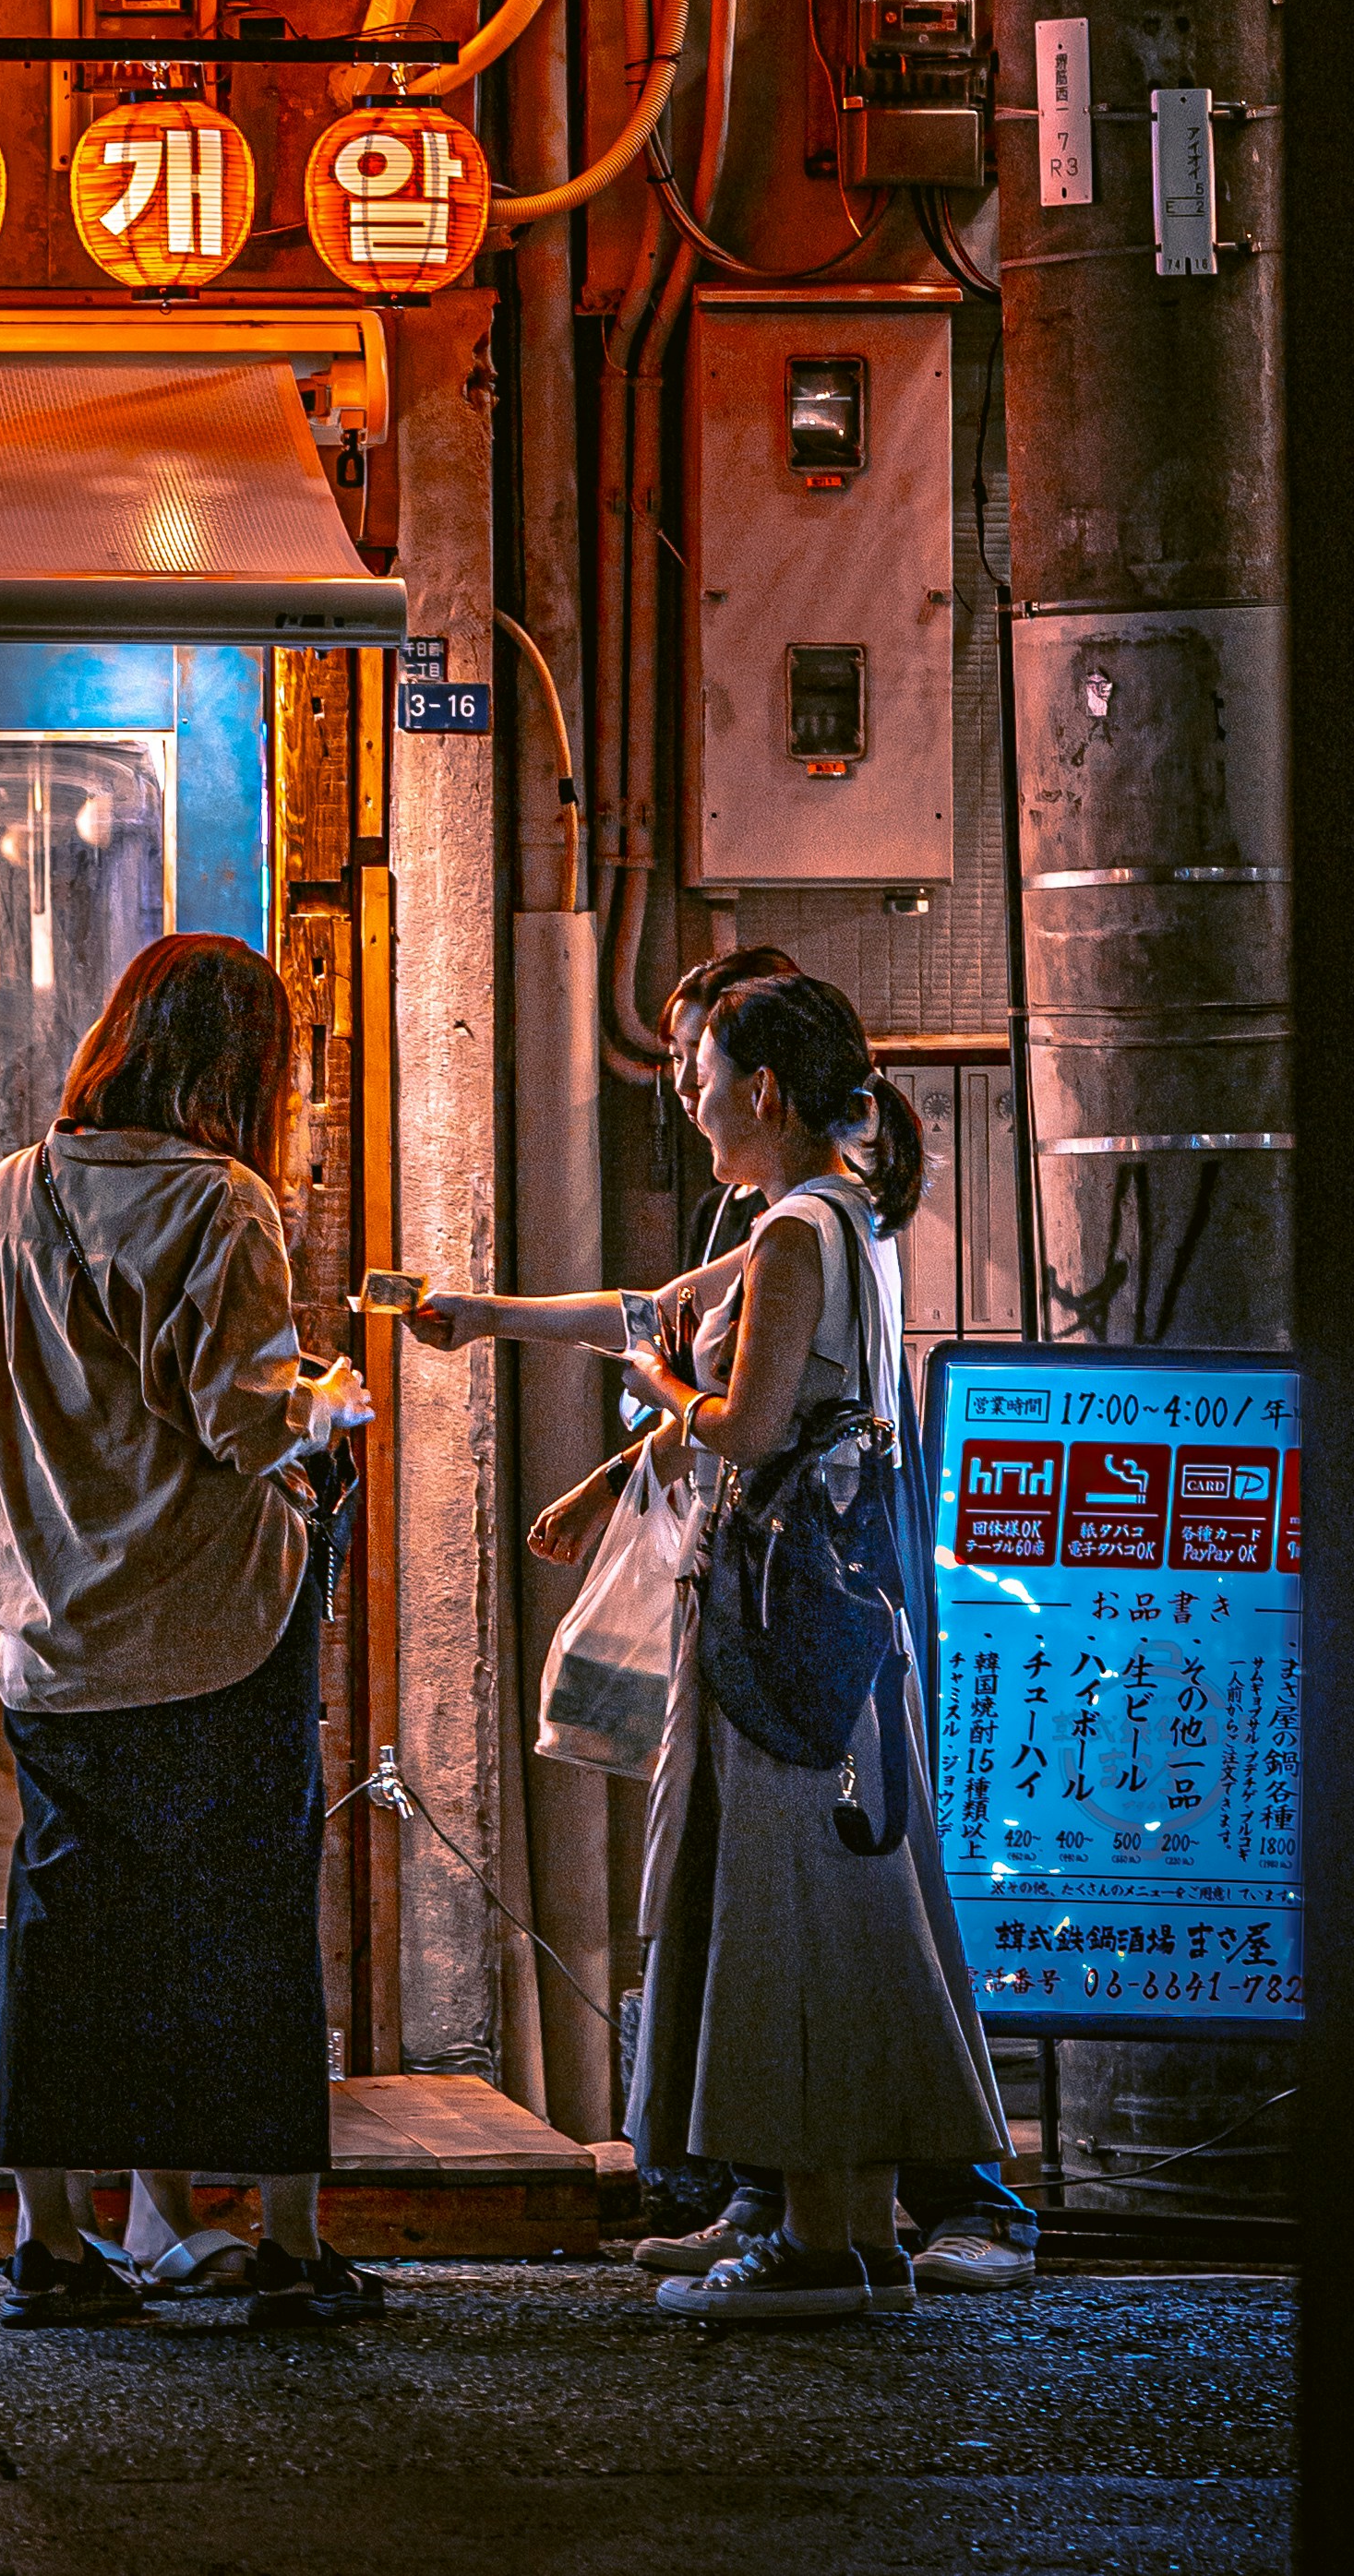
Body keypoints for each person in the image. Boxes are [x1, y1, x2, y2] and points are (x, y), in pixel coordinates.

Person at [420, 969, 1007, 2322]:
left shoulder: (798, 1233)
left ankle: (818, 2243)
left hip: (778, 1616)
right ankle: (839, 2227)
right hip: (835, 1617)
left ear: (761, 1088)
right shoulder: (831, 1216)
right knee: (836, 1917)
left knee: (790, 1916)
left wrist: (659, 1396)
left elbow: (736, 1422)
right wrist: (492, 1318)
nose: (683, 1101)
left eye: (698, 1080)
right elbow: (649, 1303)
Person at [0, 932, 378, 2328]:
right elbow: (244, 1419)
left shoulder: (11, 1191)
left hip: (54, 1630)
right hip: (210, 1629)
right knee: (245, 1933)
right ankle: (286, 2242)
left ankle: (54, 2240)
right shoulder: (223, 1199)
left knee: (70, 1935)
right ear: (241, 1067)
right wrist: (334, 1393)